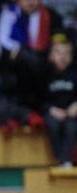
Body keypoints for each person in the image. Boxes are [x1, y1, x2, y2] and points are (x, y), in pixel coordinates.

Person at [43, 35, 77, 166]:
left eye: (66, 53)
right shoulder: (45, 74)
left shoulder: (74, 73)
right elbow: (37, 99)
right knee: (53, 124)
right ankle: (61, 160)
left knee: (71, 127)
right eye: (58, 53)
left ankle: (65, 161)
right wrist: (51, 109)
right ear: (51, 55)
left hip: (71, 113)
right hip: (52, 112)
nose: (62, 57)